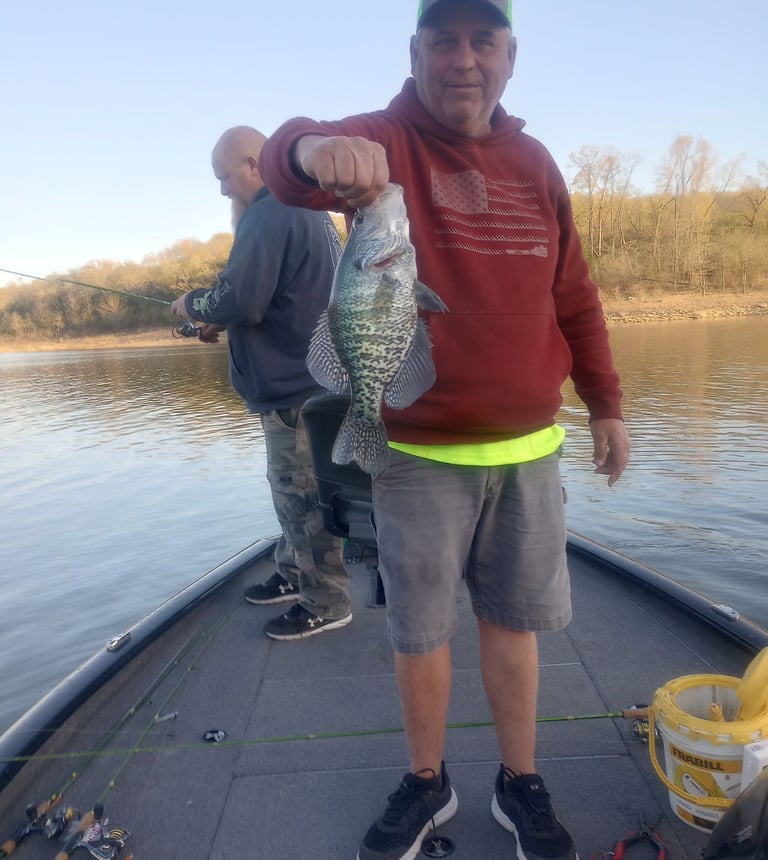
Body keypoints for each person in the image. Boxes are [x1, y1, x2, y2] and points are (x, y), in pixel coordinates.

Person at [259, 1, 630, 857]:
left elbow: (572, 293)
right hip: (417, 450)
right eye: (444, 42)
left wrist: (605, 402)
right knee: (419, 633)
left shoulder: (536, 162)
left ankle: (520, 780)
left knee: (514, 628)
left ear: (510, 55)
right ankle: (427, 783)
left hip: (530, 451)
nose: (464, 60)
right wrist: (314, 151)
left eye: (482, 42)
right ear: (417, 52)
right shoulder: (382, 142)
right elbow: (287, 159)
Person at [171, 126, 352, 641]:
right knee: (293, 491)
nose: (223, 189)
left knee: (300, 495)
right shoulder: (312, 213)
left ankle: (327, 601)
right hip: (313, 383)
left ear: (254, 164)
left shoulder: (268, 215)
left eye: (225, 177)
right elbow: (279, 296)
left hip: (294, 390)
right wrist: (218, 323)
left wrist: (193, 306)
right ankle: (295, 574)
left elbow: (240, 298)